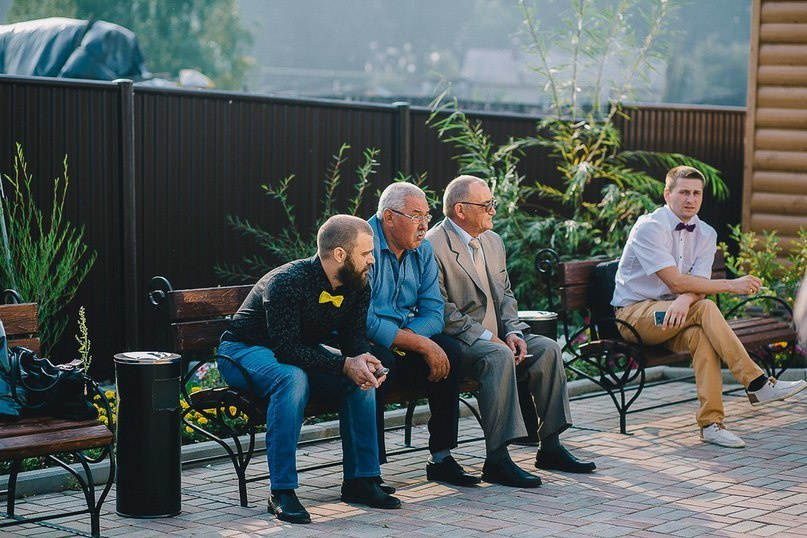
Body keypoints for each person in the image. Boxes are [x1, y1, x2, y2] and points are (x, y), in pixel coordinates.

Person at [216, 215, 400, 524]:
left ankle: (361, 481)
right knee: (292, 378)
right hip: (243, 351)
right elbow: (287, 349)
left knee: (359, 379)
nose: (372, 260)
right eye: (367, 253)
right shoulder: (287, 281)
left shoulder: (358, 283)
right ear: (340, 254)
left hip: (295, 349)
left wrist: (365, 361)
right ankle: (282, 491)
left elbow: (353, 339)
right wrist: (344, 364)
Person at [612, 165, 807, 448]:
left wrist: (682, 300)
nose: (690, 199)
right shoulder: (649, 228)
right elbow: (678, 282)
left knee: (702, 335)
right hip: (635, 316)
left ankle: (711, 424)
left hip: (676, 314)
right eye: (683, 192)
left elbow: (695, 288)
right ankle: (756, 383)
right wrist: (729, 285)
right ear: (667, 194)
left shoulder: (705, 233)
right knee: (704, 311)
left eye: (696, 193)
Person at [426, 175, 596, 488]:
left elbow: (506, 296)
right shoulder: (432, 245)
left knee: (547, 349)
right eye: (486, 205)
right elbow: (443, 310)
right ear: (460, 210)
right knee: (499, 355)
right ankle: (498, 459)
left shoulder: (493, 241)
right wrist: (492, 338)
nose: (493, 210)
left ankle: (551, 447)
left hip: (499, 338)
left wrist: (514, 332)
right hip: (461, 341)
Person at [367, 182, 479, 487]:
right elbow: (362, 319)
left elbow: (434, 312)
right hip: (362, 344)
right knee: (375, 361)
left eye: (426, 216)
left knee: (449, 351)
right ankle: (368, 472)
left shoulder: (423, 250)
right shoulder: (362, 244)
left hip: (400, 338)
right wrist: (416, 342)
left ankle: (441, 457)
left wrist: (412, 339)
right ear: (389, 217)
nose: (424, 225)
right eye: (416, 216)